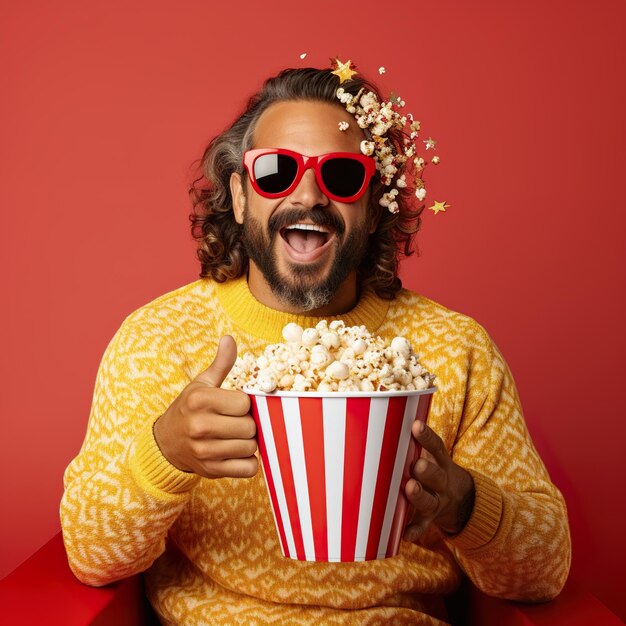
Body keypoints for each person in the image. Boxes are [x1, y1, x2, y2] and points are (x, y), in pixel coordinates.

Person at [61, 60, 571, 625]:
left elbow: (545, 572)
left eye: (342, 176)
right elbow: (91, 555)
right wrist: (165, 455)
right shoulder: (159, 341)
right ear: (238, 194)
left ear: (374, 204)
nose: (308, 195)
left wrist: (461, 501)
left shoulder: (454, 349)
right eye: (277, 171)